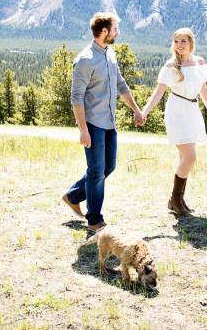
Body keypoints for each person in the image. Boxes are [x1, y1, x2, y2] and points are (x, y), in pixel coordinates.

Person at [62, 12, 145, 231]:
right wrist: (83, 130)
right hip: (92, 124)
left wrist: (136, 110)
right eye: (115, 29)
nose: (118, 32)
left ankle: (73, 195)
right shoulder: (85, 60)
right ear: (105, 31)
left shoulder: (110, 54)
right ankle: (94, 219)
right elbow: (76, 98)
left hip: (109, 123)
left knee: (108, 166)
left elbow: (121, 85)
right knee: (96, 170)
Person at [141, 27, 207, 214]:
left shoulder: (199, 62)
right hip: (176, 111)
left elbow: (203, 89)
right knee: (190, 157)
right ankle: (175, 198)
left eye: (183, 41)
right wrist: (144, 111)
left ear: (191, 42)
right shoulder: (171, 66)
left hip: (192, 110)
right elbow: (158, 92)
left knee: (185, 157)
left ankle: (178, 201)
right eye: (176, 41)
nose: (179, 45)